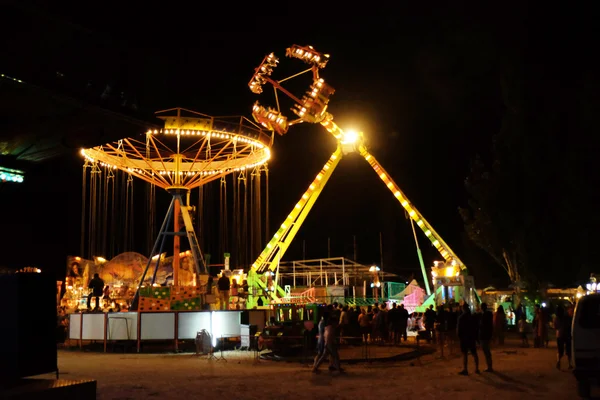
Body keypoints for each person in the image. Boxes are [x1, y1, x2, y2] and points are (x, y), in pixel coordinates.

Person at [457, 302, 479, 375]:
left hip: (464, 338)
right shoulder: (472, 317)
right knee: (474, 353)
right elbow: (476, 327)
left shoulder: (461, 317)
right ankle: (477, 368)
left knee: (465, 354)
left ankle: (465, 369)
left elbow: (459, 329)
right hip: (471, 337)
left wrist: (459, 337)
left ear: (463, 309)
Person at [553, 305, 573, 370]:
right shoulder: (567, 318)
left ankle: (558, 362)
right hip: (567, 335)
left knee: (560, 350)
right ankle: (569, 364)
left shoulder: (556, 319)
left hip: (559, 335)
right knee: (568, 350)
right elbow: (570, 325)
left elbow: (555, 327)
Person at [479, 303, 494, 372]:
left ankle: (489, 367)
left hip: (484, 335)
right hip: (488, 334)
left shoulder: (484, 315)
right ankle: (489, 366)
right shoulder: (489, 315)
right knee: (487, 351)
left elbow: (482, 325)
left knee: (486, 351)